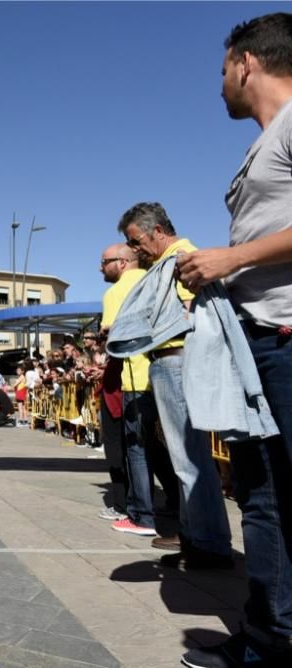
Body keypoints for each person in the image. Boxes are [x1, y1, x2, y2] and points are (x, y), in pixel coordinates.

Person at [174, 13, 292, 667]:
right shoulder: (268, 141)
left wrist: (232, 258)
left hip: (287, 338)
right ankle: (271, 635)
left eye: (222, 69)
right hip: (260, 346)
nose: (219, 84)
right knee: (264, 499)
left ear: (246, 62)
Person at [119, 202, 233, 571]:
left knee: (189, 460)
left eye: (136, 240)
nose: (134, 249)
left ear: (156, 231)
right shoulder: (171, 260)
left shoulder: (180, 258)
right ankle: (197, 537)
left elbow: (191, 316)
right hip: (171, 362)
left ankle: (208, 545)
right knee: (187, 458)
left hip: (176, 360)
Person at [97, 244, 180, 539]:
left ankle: (140, 514)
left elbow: (113, 337)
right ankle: (181, 506)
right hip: (169, 370)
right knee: (171, 447)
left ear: (121, 263)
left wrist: (105, 335)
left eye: (104, 262)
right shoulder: (155, 278)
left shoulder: (116, 292)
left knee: (136, 449)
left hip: (134, 378)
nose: (100, 268)